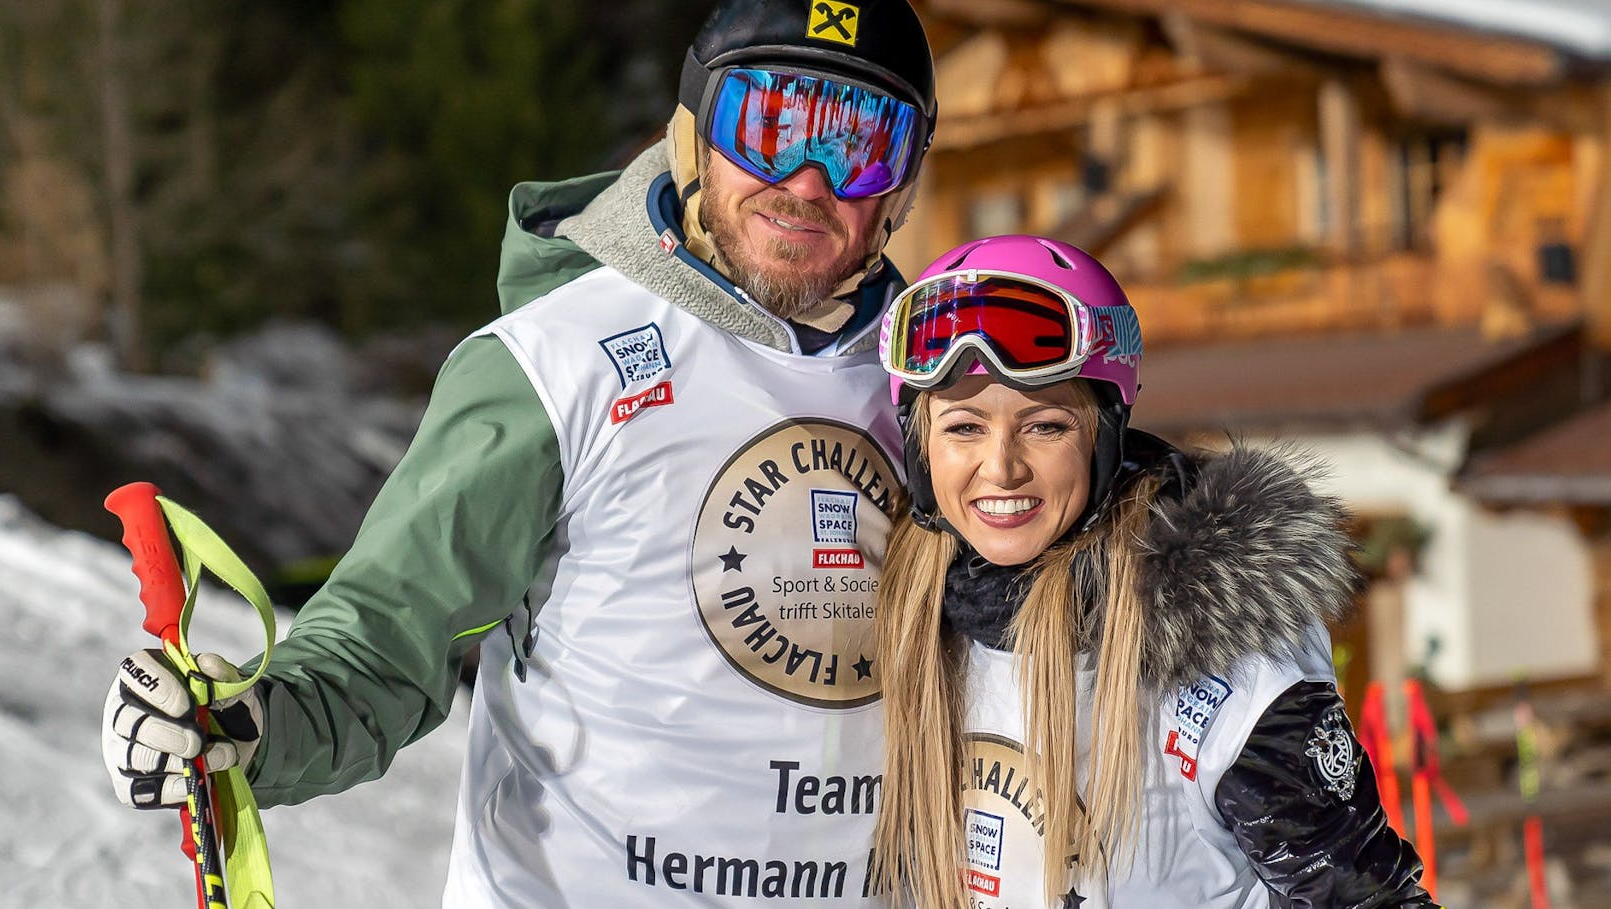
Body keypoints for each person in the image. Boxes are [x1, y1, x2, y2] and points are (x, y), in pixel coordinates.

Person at [102, 1, 938, 904]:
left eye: (860, 143)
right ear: (694, 134)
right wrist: (253, 727)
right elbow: (387, 631)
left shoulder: (946, 388)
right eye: (770, 125)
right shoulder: (554, 361)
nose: (810, 181)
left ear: (901, 188)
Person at [869, 235, 1438, 908]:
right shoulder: (914, 618)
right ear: (920, 443)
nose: (1001, 467)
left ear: (1102, 435)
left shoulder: (1211, 653)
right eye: (963, 427)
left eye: (1045, 426)